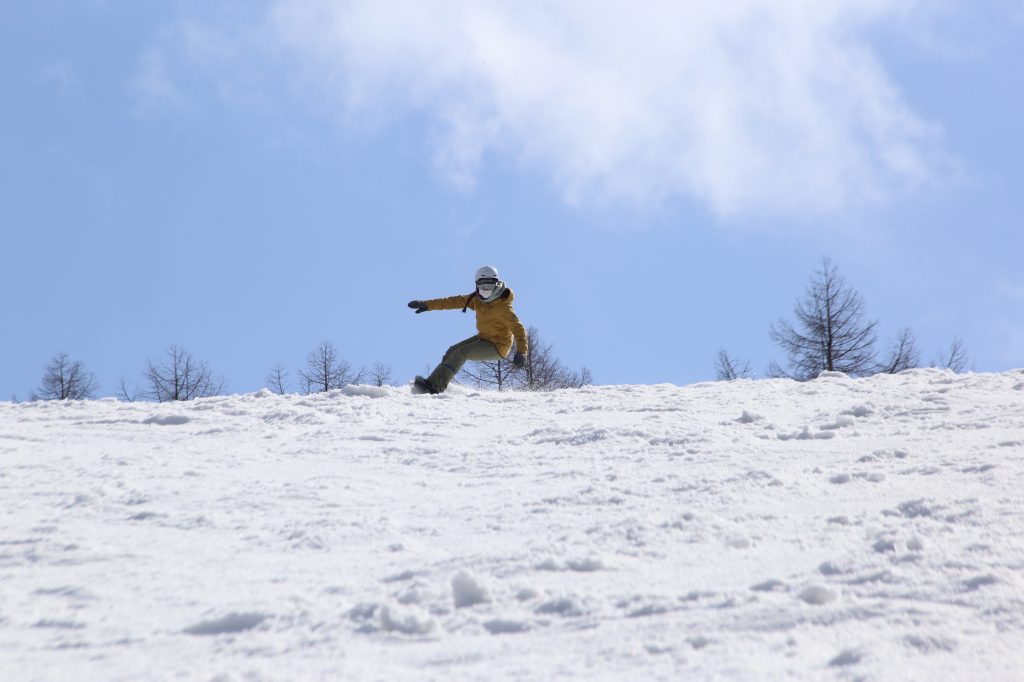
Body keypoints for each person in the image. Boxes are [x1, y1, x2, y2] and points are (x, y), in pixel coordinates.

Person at [408, 266, 529, 394]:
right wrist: (427, 305)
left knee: (462, 353)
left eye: (490, 285)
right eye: (483, 286)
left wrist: (522, 352)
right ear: (477, 285)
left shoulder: (502, 308)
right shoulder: (476, 300)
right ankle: (434, 381)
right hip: (484, 338)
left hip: (498, 346)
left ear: (497, 284)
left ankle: (434, 387)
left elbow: (518, 329)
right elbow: (452, 302)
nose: (486, 289)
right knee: (452, 351)